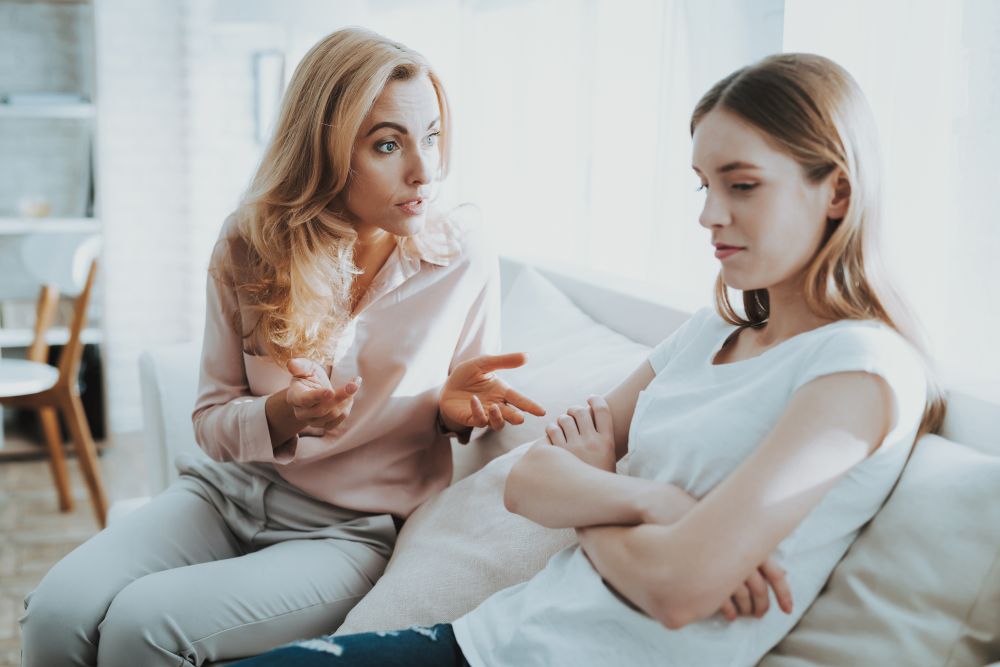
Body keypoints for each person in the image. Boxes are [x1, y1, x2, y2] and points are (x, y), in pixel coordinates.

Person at [231, 52, 947, 667]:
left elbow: (677, 590)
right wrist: (648, 501)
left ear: (838, 193)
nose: (708, 215)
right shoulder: (706, 333)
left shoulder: (861, 368)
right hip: (490, 639)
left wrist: (596, 486)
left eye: (743, 185)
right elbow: (530, 480)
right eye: (703, 184)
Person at [19, 27, 543, 667]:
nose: (424, 170)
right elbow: (210, 421)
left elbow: (467, 394)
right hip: (224, 495)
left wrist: (452, 413)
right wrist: (281, 417)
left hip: (347, 533)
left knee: (142, 627)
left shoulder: (460, 254)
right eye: (387, 144)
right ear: (324, 148)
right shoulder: (249, 242)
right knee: (55, 615)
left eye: (431, 136)